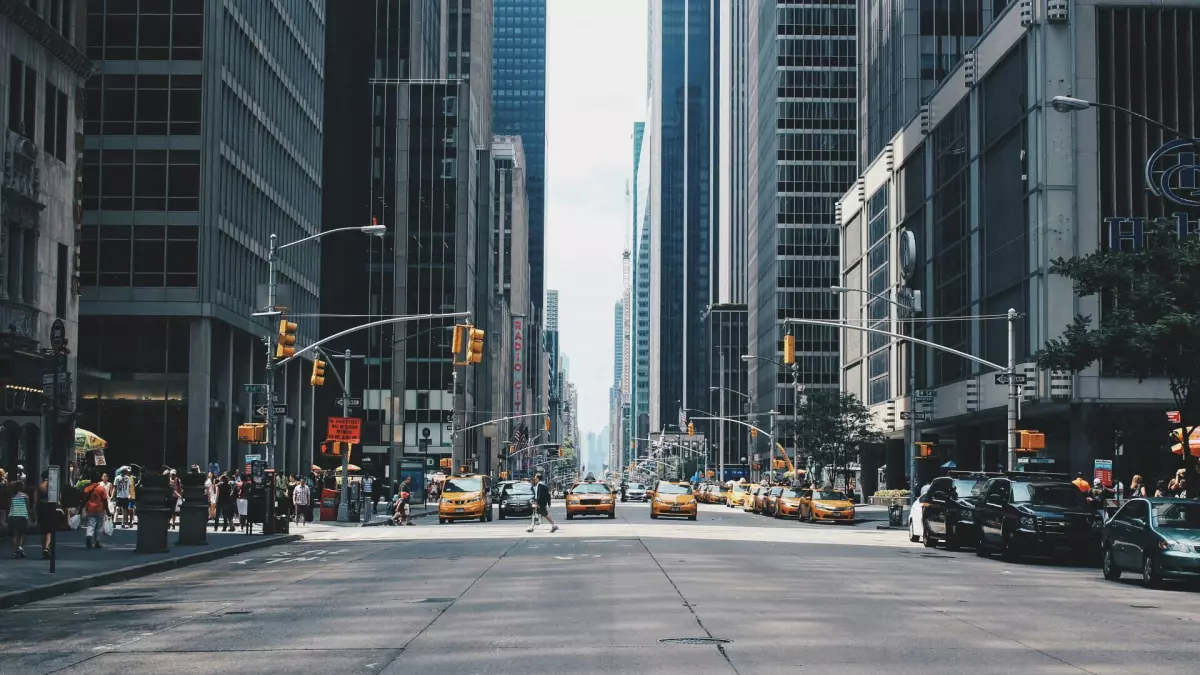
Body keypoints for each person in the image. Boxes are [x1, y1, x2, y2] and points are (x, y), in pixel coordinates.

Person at [81, 474, 112, 549]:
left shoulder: (87, 489)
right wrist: (107, 510)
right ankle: (97, 542)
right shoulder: (101, 489)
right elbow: (105, 500)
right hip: (100, 509)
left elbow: (84, 500)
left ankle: (89, 535)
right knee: (99, 527)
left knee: (90, 524)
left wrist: (81, 509)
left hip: (90, 509)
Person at [7, 479, 30, 558]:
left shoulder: (12, 496)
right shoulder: (25, 496)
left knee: (15, 535)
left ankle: (14, 552)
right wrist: (31, 515)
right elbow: (28, 507)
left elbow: (9, 506)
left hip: (13, 516)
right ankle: (20, 547)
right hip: (22, 516)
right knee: (23, 533)